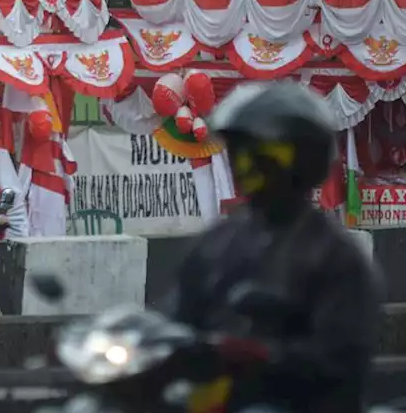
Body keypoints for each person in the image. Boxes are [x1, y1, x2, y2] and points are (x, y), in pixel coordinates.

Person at [155, 82, 384, 412]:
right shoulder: (217, 242)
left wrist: (260, 355)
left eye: (258, 153)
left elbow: (340, 359)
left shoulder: (335, 255)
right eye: (238, 151)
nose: (245, 165)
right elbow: (176, 313)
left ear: (304, 158)